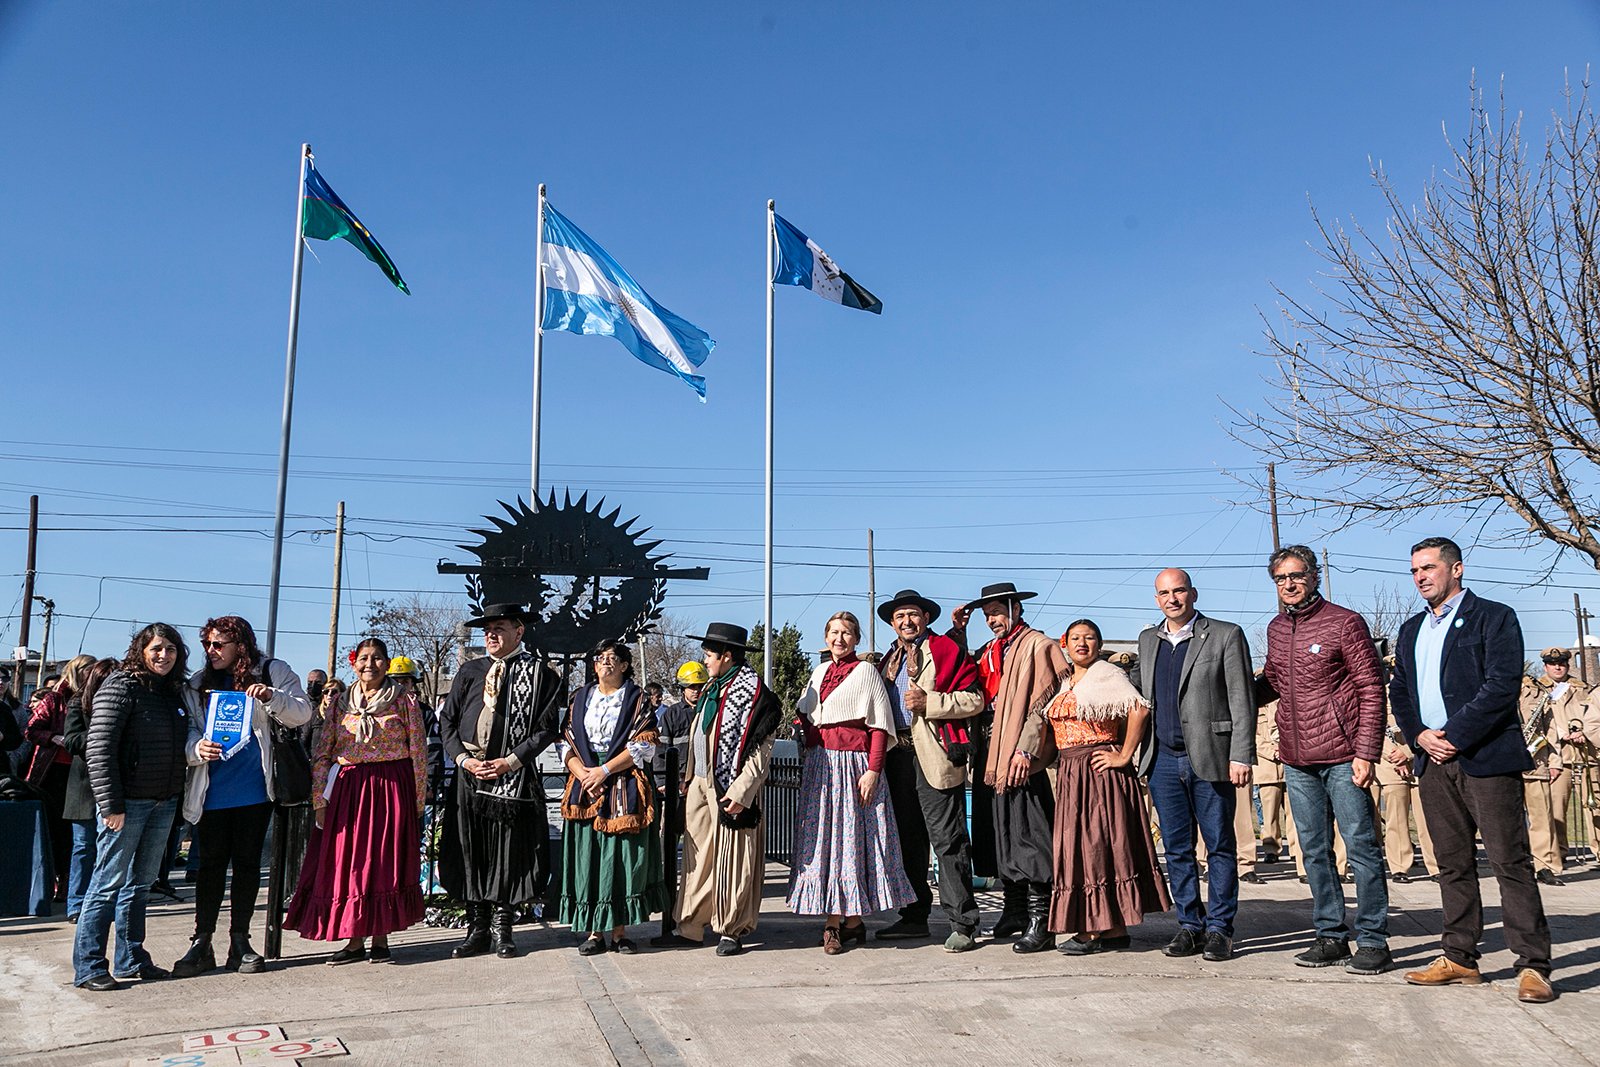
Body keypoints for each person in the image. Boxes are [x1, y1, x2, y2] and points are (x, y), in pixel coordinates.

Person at [1390, 537, 1554, 1004]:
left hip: (1484, 757)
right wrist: (1420, 734)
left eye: (1429, 568)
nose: (1421, 577)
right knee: (1452, 864)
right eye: (1415, 570)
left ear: (1456, 569)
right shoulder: (1410, 629)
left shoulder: (1494, 617)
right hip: (1433, 761)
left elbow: (1501, 687)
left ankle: (1533, 965)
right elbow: (1400, 689)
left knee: (1509, 861)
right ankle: (1460, 957)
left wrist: (1453, 735)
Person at [1258, 545, 1390, 974]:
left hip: (1343, 755)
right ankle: (1330, 934)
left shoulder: (1345, 623)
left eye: (1297, 576)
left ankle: (1372, 939)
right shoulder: (1277, 628)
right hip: (1297, 758)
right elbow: (1273, 683)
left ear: (1314, 576)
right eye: (1281, 579)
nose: (1290, 584)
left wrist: (1366, 753)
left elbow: (1372, 689)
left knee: (1361, 848)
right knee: (1314, 851)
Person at [171, 616, 312, 978]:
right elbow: (185, 732)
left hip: (254, 789)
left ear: (241, 645)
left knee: (248, 866)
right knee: (210, 868)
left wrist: (272, 696)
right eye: (207, 644)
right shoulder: (198, 684)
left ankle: (240, 942)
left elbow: (303, 713)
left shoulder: (272, 670)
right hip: (211, 790)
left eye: (219, 644)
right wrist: (195, 748)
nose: (211, 651)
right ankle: (202, 942)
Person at [1135, 568, 1254, 963]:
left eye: (1179, 590)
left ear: (1193, 593)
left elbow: (1241, 699)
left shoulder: (1225, 634)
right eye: (1164, 593)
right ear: (1156, 599)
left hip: (1211, 757)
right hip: (1163, 761)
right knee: (1177, 849)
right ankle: (1190, 924)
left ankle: (1220, 929)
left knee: (1219, 846)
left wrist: (1241, 754)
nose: (1172, 599)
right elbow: (1136, 690)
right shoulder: (1148, 640)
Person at [285, 637, 427, 964]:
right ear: (354, 663)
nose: (370, 664)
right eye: (364, 658)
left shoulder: (404, 700)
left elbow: (418, 750)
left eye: (377, 658)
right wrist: (320, 798)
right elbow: (323, 752)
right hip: (349, 792)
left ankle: (381, 937)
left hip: (391, 788)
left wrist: (417, 800)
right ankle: (353, 939)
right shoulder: (340, 702)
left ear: (387, 663)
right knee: (349, 865)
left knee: (383, 862)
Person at [438, 604, 564, 959]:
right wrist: (463, 760)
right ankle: (476, 928)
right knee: (470, 850)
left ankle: (503, 929)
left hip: (512, 778)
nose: (491, 634)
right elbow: (448, 722)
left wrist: (509, 762)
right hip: (469, 774)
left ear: (519, 631)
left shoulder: (541, 674)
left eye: (499, 628)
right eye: (487, 629)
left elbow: (545, 729)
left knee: (506, 854)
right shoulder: (469, 670)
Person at [948, 582, 1068, 953]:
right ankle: (1014, 909)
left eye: (998, 612)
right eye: (987, 615)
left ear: (1016, 608)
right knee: (1000, 833)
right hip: (989, 750)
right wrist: (959, 633)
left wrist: (1026, 751)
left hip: (1019, 752)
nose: (992, 620)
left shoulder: (1039, 645)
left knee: (1028, 835)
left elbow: (1046, 705)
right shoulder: (989, 651)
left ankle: (1041, 920)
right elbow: (965, 678)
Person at [73, 624, 191, 990]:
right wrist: (111, 804)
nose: (164, 655)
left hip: (163, 803)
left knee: (139, 886)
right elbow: (99, 748)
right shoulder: (122, 686)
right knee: (106, 885)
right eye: (157, 647)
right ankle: (90, 967)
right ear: (141, 649)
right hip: (126, 806)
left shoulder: (172, 692)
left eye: (171, 648)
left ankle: (131, 958)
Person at [788, 611, 914, 954]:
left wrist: (874, 770)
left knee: (850, 844)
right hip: (821, 766)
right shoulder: (818, 673)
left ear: (856, 639)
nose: (839, 638)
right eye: (833, 632)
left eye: (846, 633)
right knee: (825, 843)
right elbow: (809, 718)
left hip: (853, 766)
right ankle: (852, 922)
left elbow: (878, 727)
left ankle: (834, 924)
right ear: (826, 638)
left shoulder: (866, 673)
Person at [1046, 620, 1170, 953]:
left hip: (1099, 772)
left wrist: (1124, 755)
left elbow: (1140, 710)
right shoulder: (1067, 681)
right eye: (1075, 638)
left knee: (1094, 847)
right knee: (1088, 846)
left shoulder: (1107, 674)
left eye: (1089, 638)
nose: (1082, 644)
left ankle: (1092, 929)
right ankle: (1113, 928)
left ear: (1099, 644)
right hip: (1072, 771)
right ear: (1064, 643)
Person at [874, 589, 985, 952]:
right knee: (909, 842)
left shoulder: (945, 650)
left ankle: (964, 923)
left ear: (925, 618)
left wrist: (930, 702)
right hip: (898, 757)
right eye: (900, 616)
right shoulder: (887, 659)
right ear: (893, 623)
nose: (907, 622)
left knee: (948, 839)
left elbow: (974, 699)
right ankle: (914, 916)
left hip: (935, 754)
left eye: (913, 614)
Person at [670, 625, 782, 956]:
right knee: (698, 856)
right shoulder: (709, 690)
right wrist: (689, 777)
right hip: (701, 783)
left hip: (731, 783)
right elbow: (698, 735)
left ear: (727, 655)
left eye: (708, 655)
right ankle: (690, 925)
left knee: (734, 857)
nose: (705, 661)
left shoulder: (755, 695)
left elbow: (762, 747)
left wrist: (743, 788)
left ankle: (730, 928)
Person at [557, 638, 666, 955]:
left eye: (613, 657)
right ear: (593, 665)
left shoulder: (636, 699)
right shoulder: (580, 698)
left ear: (624, 665)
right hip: (584, 784)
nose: (606, 662)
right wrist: (585, 774)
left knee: (619, 858)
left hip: (624, 783)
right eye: (600, 657)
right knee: (589, 858)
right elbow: (567, 743)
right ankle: (594, 932)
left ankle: (619, 932)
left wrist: (603, 771)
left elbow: (643, 745)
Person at [25, 655, 96, 905]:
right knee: (55, 830)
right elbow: (31, 729)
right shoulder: (55, 699)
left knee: (75, 834)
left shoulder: (94, 697)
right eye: (87, 669)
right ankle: (57, 882)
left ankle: (69, 884)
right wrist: (53, 737)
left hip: (81, 772)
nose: (91, 674)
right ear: (77, 671)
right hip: (53, 771)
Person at [1518, 647, 1588, 885]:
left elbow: (1548, 730)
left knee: (1543, 816)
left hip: (1536, 762)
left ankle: (1546, 865)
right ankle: (1513, 863)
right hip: (1502, 763)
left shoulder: (1535, 691)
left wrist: (1554, 761)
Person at [60, 659, 120, 922]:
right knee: (83, 848)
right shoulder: (77, 703)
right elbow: (70, 741)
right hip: (84, 787)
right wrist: (101, 733)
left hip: (114, 786)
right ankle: (76, 904)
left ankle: (104, 903)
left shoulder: (124, 704)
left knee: (110, 849)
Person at [654, 661, 703, 791]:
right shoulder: (671, 714)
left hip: (704, 777)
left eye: (700, 686)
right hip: (679, 780)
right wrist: (662, 780)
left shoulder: (710, 711)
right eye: (692, 687)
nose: (696, 691)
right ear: (682, 689)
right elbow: (660, 748)